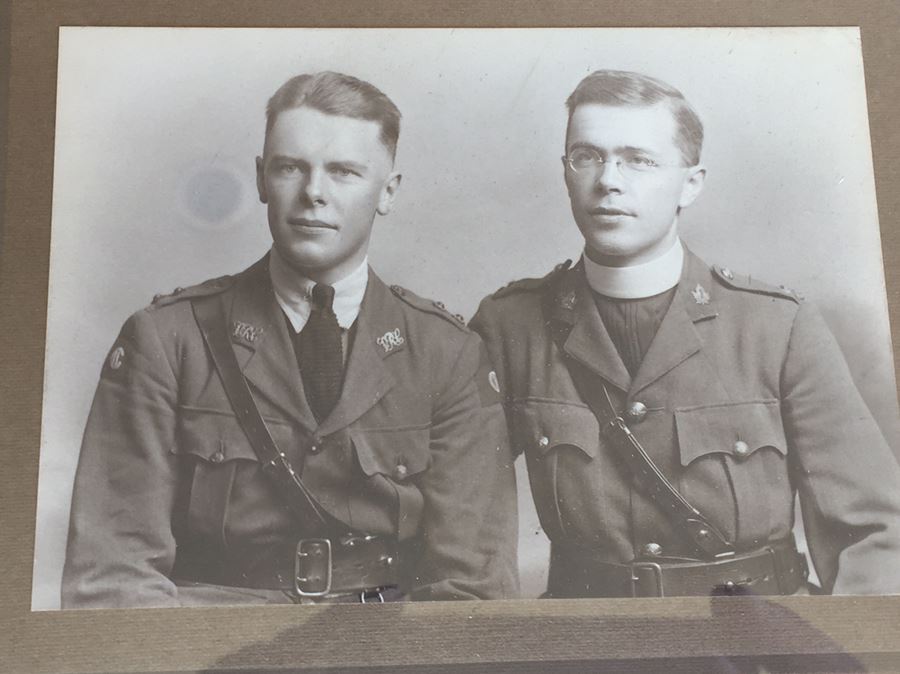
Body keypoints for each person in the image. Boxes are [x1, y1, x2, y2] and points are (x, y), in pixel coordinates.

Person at [62, 71, 518, 607]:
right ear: (260, 179)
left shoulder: (447, 355)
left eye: (344, 172)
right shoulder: (167, 341)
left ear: (388, 192)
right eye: (290, 168)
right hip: (211, 649)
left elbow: (474, 590)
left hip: (388, 652)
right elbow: (112, 581)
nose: (313, 194)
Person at [471, 69, 900, 598]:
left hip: (760, 643)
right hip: (587, 644)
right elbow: (460, 520)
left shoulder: (775, 327)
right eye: (588, 156)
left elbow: (876, 536)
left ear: (691, 183)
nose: (608, 179)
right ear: (565, 171)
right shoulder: (509, 327)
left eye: (639, 160)